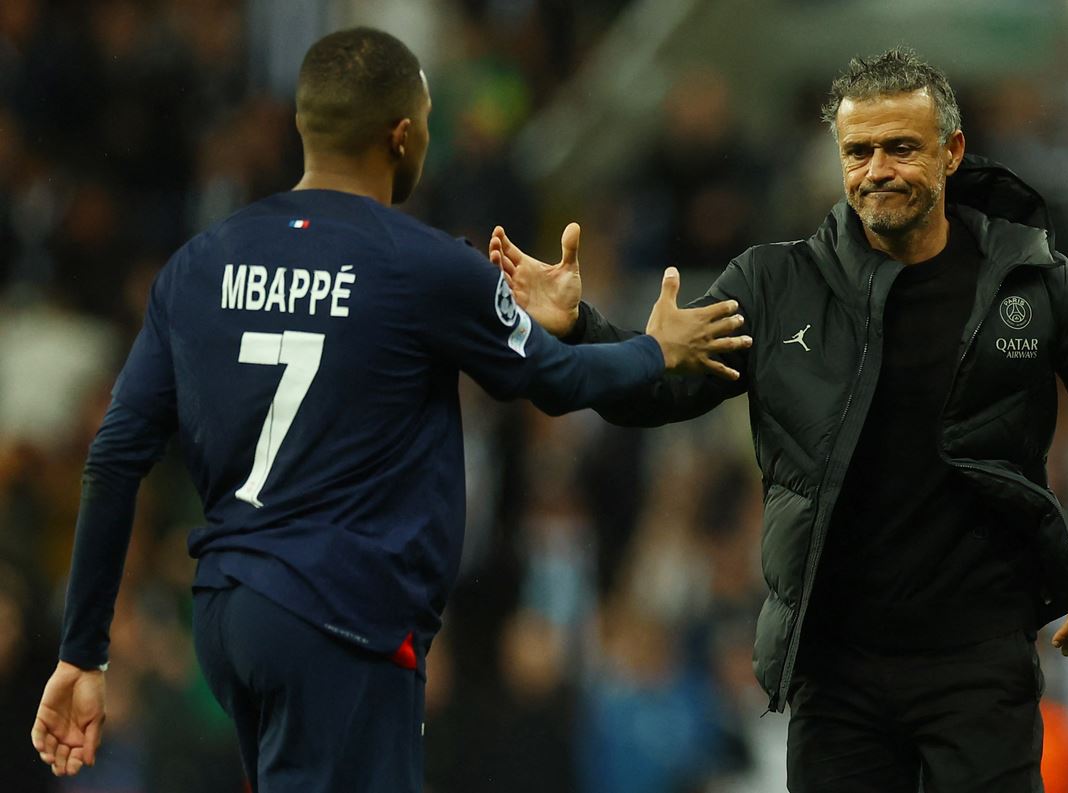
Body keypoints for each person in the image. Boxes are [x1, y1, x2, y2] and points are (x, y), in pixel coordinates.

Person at [28, 27, 750, 792]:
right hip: (339, 615)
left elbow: (114, 456)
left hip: (228, 610)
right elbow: (560, 382)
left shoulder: (199, 262)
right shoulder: (425, 263)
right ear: (402, 134)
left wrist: (82, 651)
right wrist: (656, 349)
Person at [489, 47, 1068, 792]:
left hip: (979, 665)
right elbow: (652, 393)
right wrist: (577, 328)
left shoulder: (1028, 281)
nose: (877, 170)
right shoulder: (775, 286)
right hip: (834, 676)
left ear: (952, 152)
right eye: (858, 151)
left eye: (901, 147)